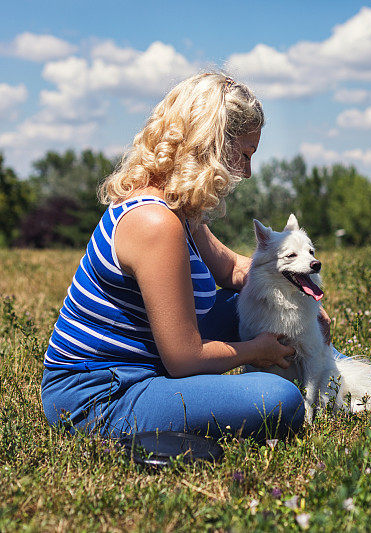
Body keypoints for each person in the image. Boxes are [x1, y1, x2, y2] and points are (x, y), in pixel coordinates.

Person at [41, 73, 309, 441]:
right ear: (211, 145)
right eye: (244, 155)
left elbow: (232, 268)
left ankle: (338, 372)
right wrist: (254, 351)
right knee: (280, 400)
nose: (246, 173)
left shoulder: (179, 207)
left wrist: (297, 293)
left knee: (253, 302)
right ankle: (329, 382)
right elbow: (184, 359)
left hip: (148, 362)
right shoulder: (154, 223)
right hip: (104, 393)